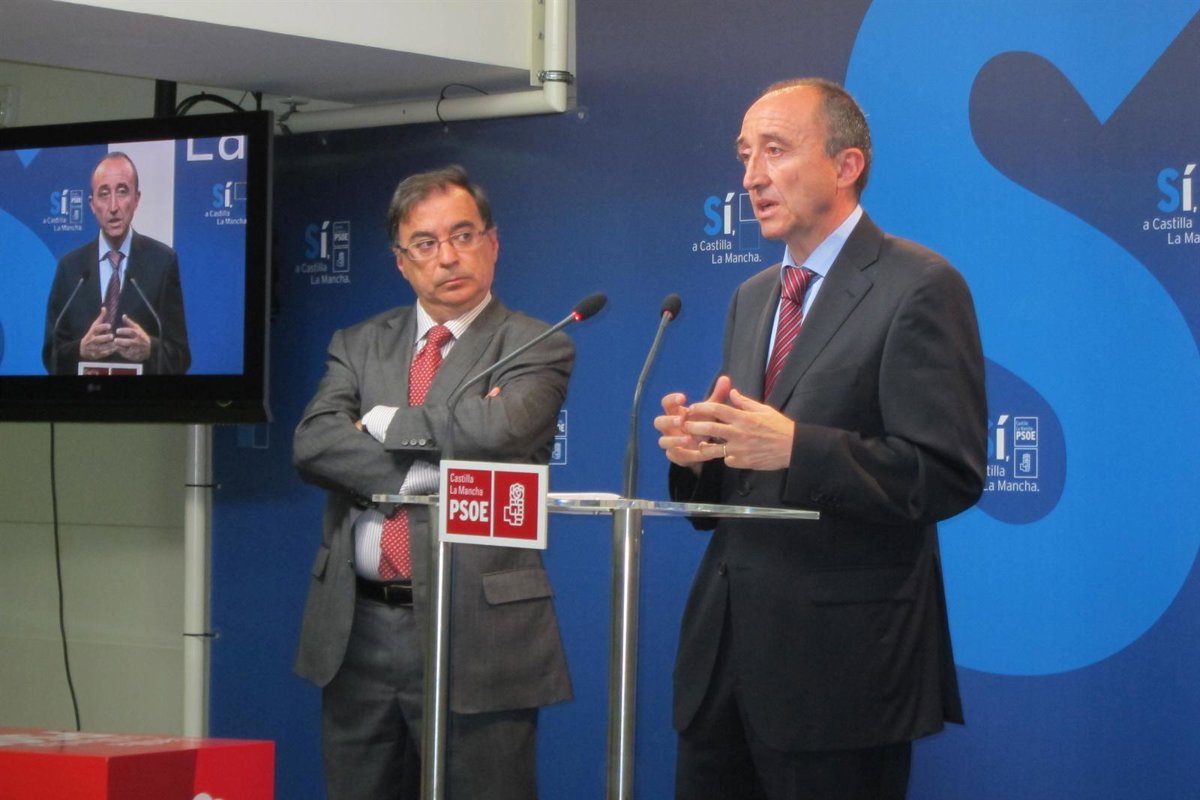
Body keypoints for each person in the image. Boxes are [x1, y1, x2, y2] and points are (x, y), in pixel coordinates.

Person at [654, 78, 988, 800]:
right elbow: (740, 481)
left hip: (841, 674)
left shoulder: (920, 286)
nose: (751, 176)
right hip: (723, 665)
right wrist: (701, 457)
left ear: (846, 165)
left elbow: (946, 473)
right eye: (745, 154)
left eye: (775, 150)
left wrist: (796, 447)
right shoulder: (752, 297)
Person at [292, 165, 574, 800]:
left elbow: (500, 431)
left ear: (492, 243)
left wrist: (379, 423)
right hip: (357, 629)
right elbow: (313, 445)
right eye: (425, 243)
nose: (448, 256)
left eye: (463, 235)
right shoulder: (358, 344)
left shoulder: (537, 343)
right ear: (401, 262)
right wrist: (429, 470)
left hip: (478, 631)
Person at [42, 151, 190, 375]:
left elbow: (181, 356)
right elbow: (50, 354)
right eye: (103, 194)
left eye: (122, 192)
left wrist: (150, 349)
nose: (113, 206)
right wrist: (80, 350)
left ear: (136, 199)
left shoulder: (162, 262)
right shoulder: (70, 268)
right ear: (92, 204)